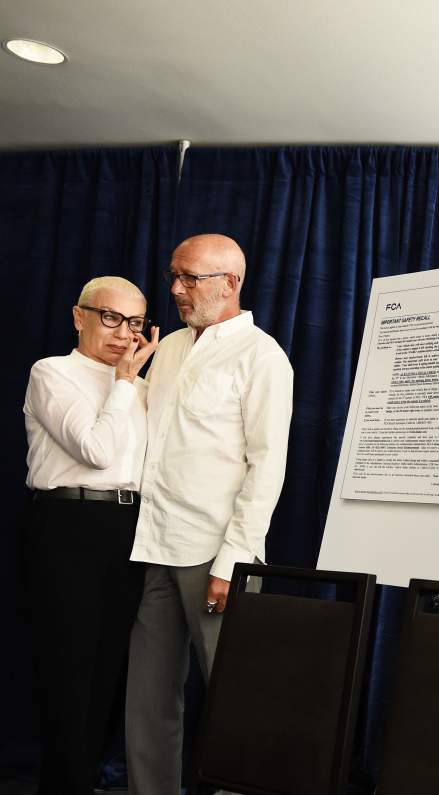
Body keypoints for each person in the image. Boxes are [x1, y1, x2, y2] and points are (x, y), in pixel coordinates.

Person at [125, 233, 293, 794]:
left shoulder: (262, 356)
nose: (175, 288)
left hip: (217, 557)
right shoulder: (168, 347)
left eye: (190, 277)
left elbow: (266, 467)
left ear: (231, 283)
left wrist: (234, 561)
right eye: (174, 275)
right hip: (155, 544)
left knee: (238, 698)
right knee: (147, 698)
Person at [22, 276, 158, 794]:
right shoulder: (52, 373)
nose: (124, 334)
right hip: (67, 524)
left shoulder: (146, 387)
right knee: (67, 666)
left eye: (137, 323)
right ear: (80, 316)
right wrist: (124, 382)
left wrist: (131, 383)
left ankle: (85, 779)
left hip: (129, 527)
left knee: (111, 668)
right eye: (111, 318)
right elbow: (96, 450)